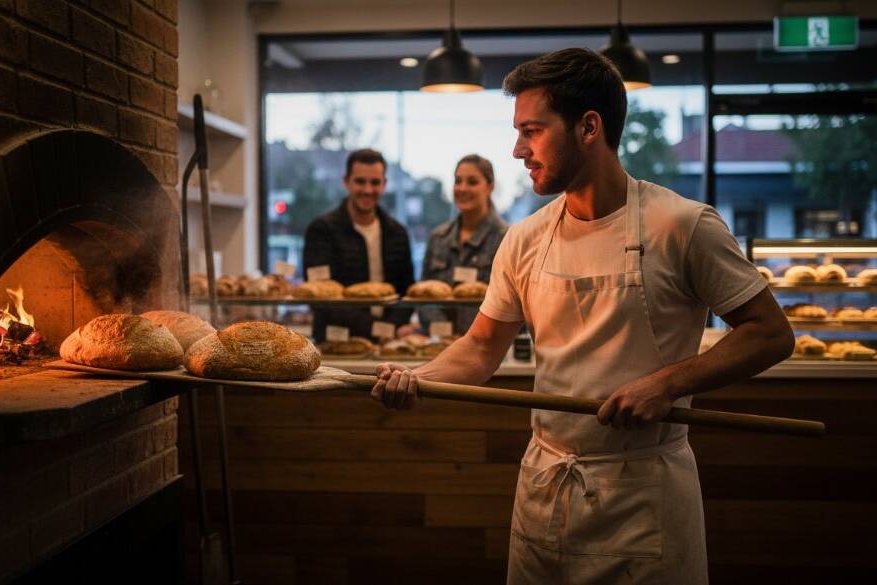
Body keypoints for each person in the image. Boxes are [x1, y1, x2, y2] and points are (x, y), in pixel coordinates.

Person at [371, 49, 794, 583]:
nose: (518, 149)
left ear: (589, 126)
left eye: (532, 130)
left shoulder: (683, 227)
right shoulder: (524, 239)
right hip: (544, 488)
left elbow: (770, 334)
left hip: (644, 500)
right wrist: (417, 378)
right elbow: (480, 350)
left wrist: (665, 384)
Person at [303, 148, 414, 341]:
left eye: (375, 182)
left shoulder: (397, 232)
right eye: (360, 181)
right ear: (346, 182)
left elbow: (407, 291)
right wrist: (379, 328)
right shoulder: (322, 230)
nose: (368, 190)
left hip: (386, 343)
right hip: (335, 343)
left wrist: (390, 327)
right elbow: (321, 296)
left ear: (385, 184)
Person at [408, 154, 508, 335]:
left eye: (472, 182)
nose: (462, 188)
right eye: (458, 181)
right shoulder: (438, 238)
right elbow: (422, 297)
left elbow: (510, 303)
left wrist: (471, 339)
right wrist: (443, 331)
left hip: (488, 346)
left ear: (490, 187)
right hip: (439, 344)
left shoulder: (508, 239)